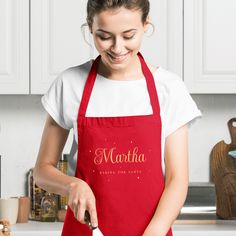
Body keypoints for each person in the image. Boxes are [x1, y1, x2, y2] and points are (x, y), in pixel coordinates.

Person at [33, 0, 202, 235]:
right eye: (104, 36)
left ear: (145, 25)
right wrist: (73, 185)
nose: (117, 47)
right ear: (90, 28)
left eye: (128, 35)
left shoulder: (169, 89)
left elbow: (177, 180)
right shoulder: (70, 84)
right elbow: (42, 170)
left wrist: (155, 232)